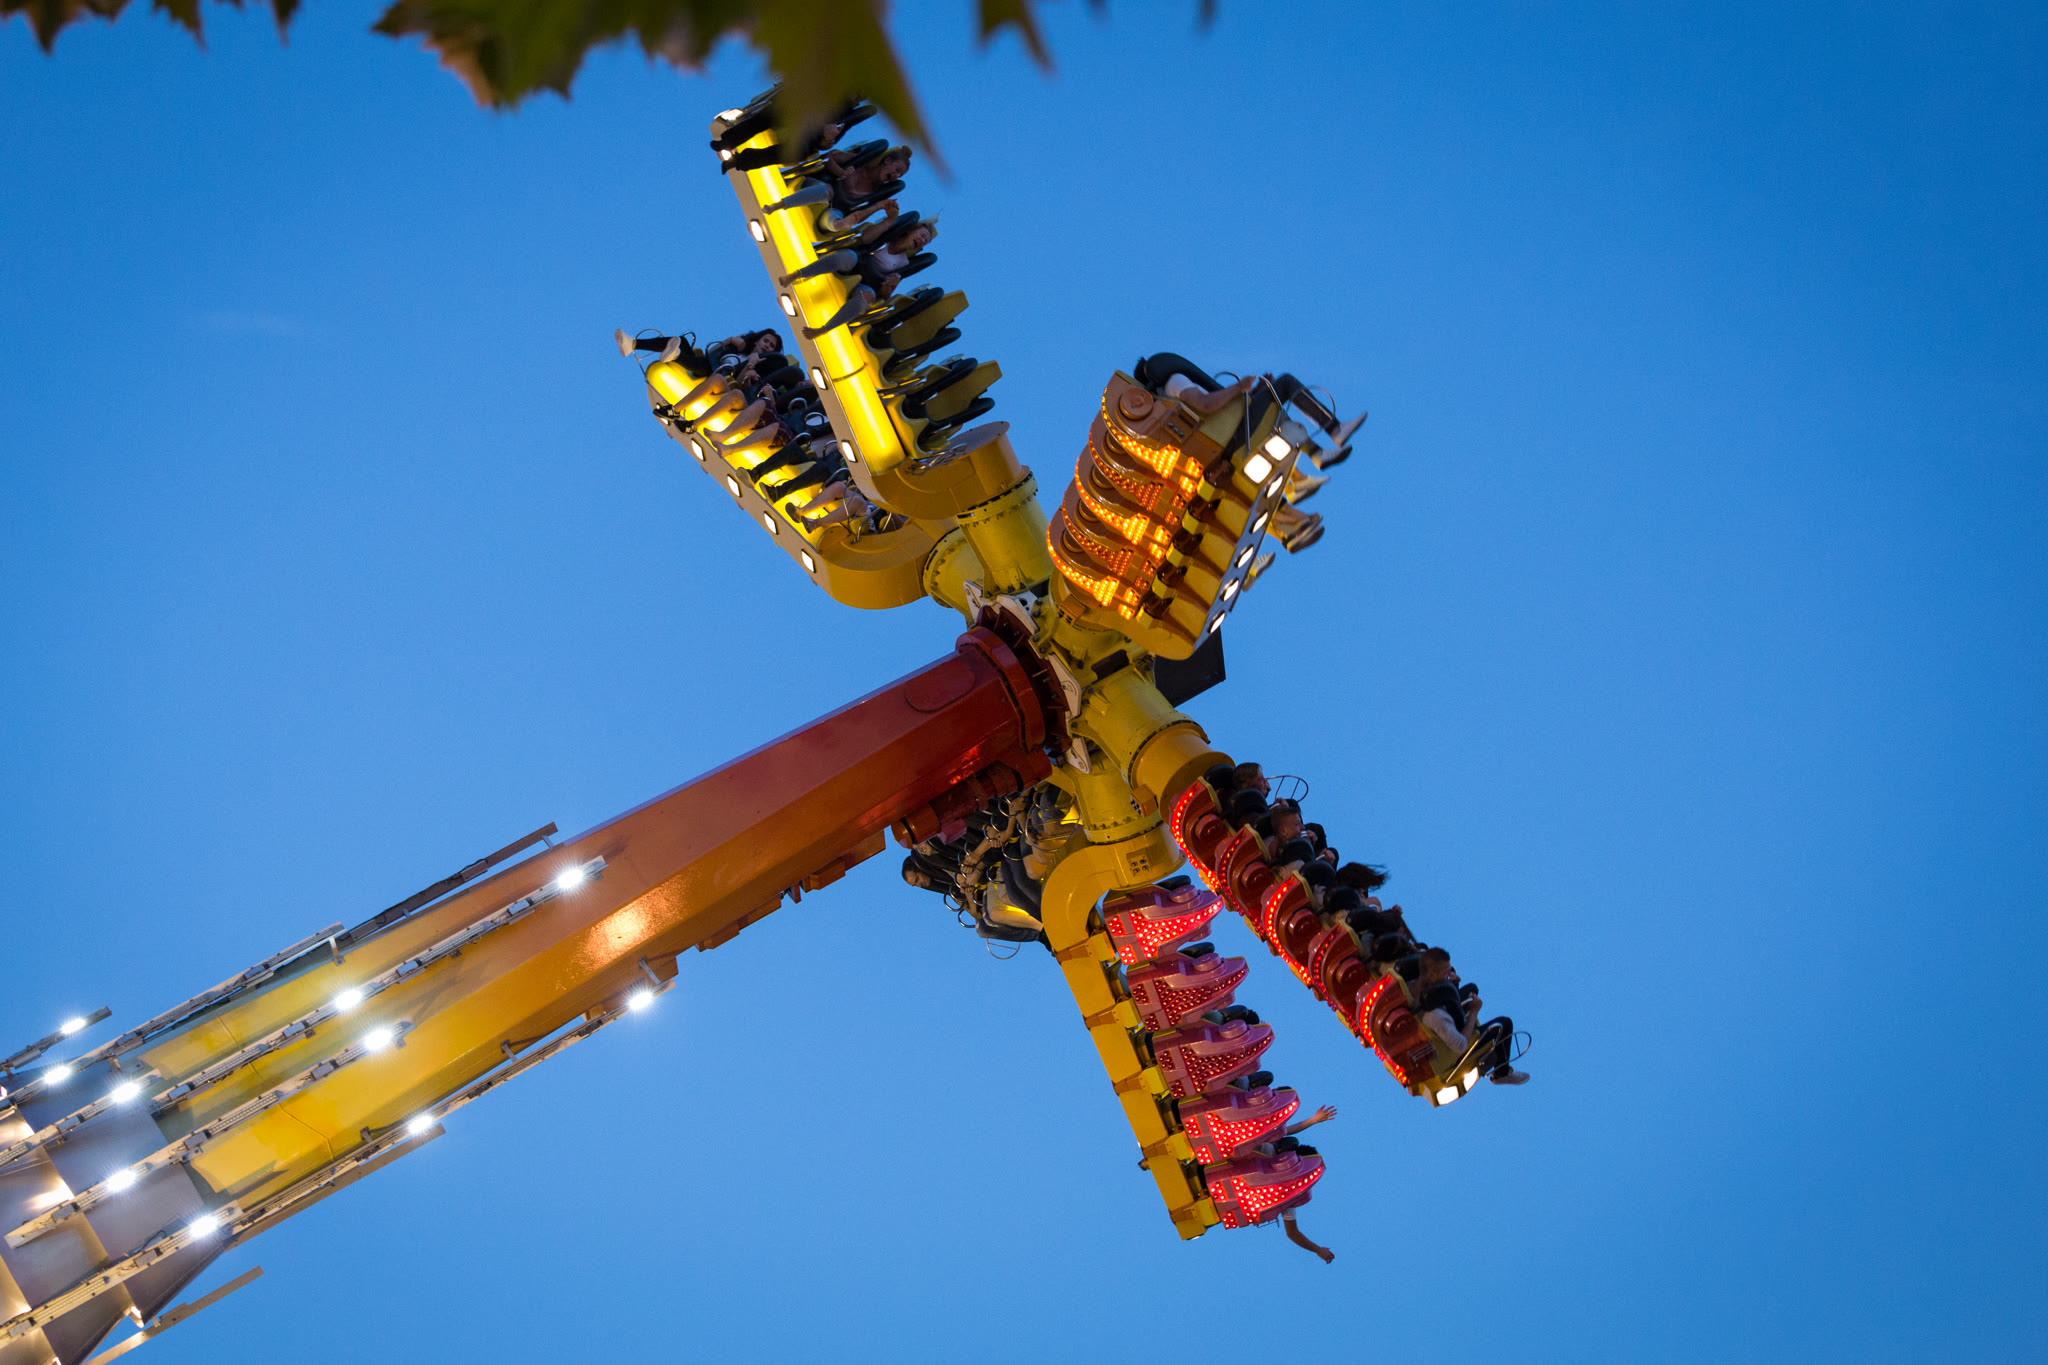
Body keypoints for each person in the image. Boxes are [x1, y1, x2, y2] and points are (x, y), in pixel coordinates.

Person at [1414, 948, 1527, 1085]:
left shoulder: (1419, 987)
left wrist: (1452, 984)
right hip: (1451, 1049)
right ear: (1433, 976)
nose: (1451, 975)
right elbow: (1460, 1045)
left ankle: (1462, 1012)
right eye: (1447, 973)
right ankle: (1501, 1074)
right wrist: (1473, 1013)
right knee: (1504, 1024)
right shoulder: (1435, 1016)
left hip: (1444, 1016)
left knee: (1471, 989)